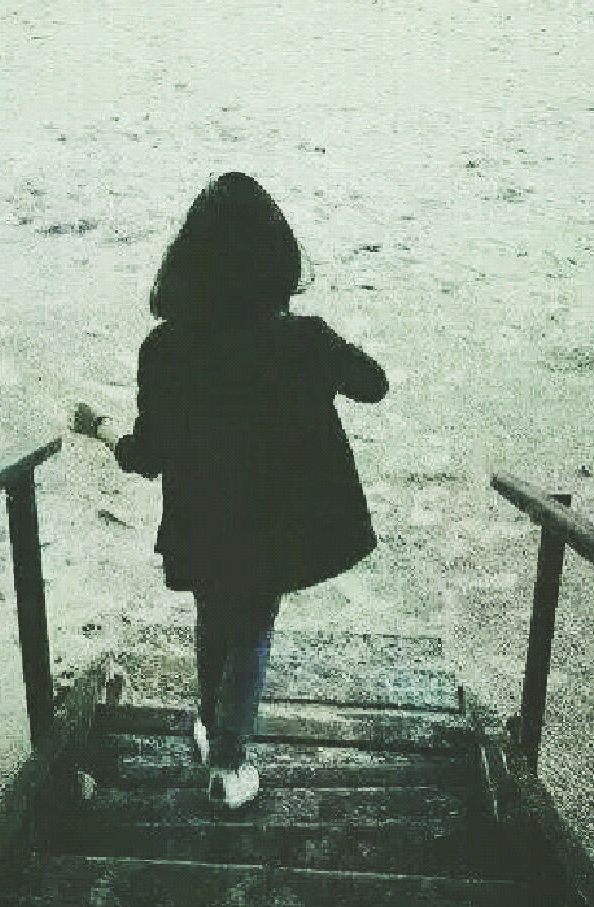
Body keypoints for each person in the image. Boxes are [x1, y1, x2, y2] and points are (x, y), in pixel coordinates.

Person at [76, 172, 388, 809]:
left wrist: (100, 428)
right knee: (250, 627)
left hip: (201, 525)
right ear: (278, 260)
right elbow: (373, 385)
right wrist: (310, 353)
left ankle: (210, 725)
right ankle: (228, 760)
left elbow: (147, 457)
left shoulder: (164, 350)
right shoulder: (304, 341)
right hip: (275, 526)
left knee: (215, 615)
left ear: (187, 264)